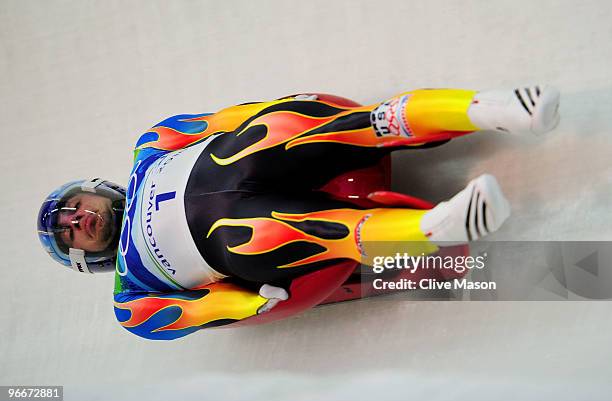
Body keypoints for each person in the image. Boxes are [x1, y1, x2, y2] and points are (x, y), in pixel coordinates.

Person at [37, 86, 560, 339]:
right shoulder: (130, 297)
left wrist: (277, 111)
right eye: (70, 235)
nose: (78, 221)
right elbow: (199, 311)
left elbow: (230, 118)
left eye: (72, 208)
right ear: (88, 259)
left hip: (250, 156)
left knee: (283, 127)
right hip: (239, 236)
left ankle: (490, 110)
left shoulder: (150, 145)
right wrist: (250, 306)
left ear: (93, 191)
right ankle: (432, 228)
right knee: (259, 233)